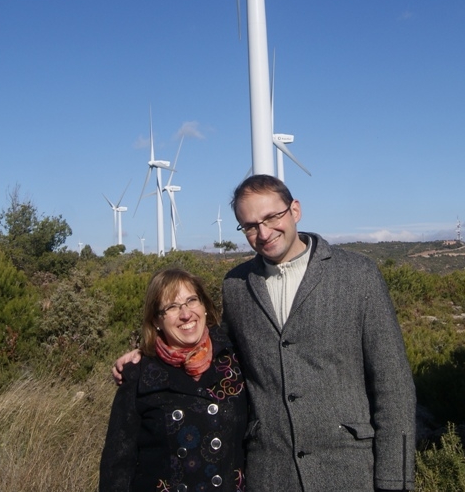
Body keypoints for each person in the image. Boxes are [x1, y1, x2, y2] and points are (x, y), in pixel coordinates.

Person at [115, 175, 416, 491]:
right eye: (250, 226)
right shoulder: (237, 285)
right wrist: (149, 355)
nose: (264, 232)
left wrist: (396, 479)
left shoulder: (358, 275)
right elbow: (216, 350)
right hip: (270, 474)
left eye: (272, 217)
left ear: (295, 210)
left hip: (351, 472)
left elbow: (393, 383)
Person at [101, 268, 247, 492]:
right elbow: (117, 464)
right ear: (156, 320)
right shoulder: (140, 375)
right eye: (171, 307)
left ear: (205, 307)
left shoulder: (235, 360)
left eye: (191, 301)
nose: (186, 314)